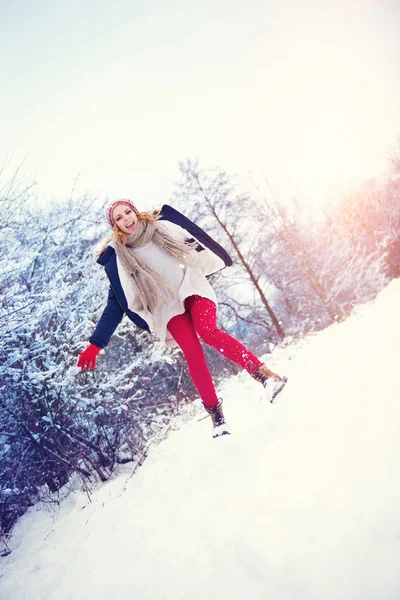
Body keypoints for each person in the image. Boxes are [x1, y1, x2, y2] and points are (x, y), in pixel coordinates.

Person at [77, 199, 287, 438]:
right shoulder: (120, 259)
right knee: (192, 351)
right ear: (115, 226)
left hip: (192, 286)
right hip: (166, 306)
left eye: (128, 212)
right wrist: (96, 344)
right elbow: (115, 304)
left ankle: (266, 377)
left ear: (135, 211)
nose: (127, 219)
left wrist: (210, 256)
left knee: (207, 331)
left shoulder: (163, 228)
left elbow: (194, 242)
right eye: (119, 218)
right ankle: (217, 418)